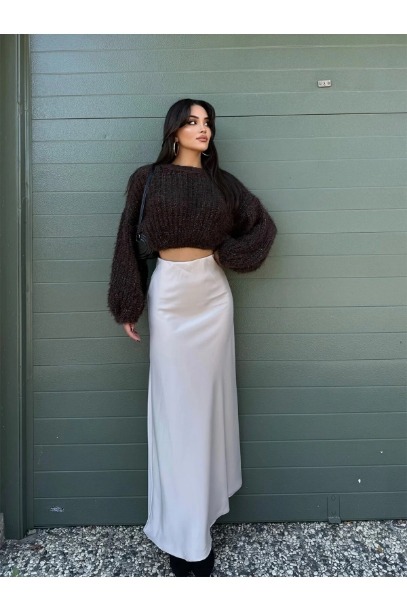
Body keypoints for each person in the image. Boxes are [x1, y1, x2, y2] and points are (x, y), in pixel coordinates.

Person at [107, 98, 277, 577]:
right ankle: (181, 532)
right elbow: (126, 241)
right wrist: (127, 303)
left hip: (212, 299)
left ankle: (198, 524)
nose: (202, 129)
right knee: (176, 413)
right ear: (174, 130)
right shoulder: (146, 179)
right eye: (192, 121)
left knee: (206, 411)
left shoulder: (223, 184)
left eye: (207, 123)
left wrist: (226, 255)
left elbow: (263, 228)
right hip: (169, 297)